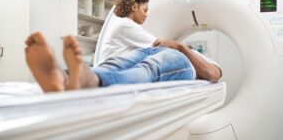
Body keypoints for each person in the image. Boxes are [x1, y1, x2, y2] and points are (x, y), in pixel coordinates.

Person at [25, 32, 221, 92]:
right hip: (150, 49)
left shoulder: (197, 57)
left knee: (149, 69)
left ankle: (91, 80)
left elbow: (212, 75)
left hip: (179, 60)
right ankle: (63, 77)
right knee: (116, 62)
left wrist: (181, 47)